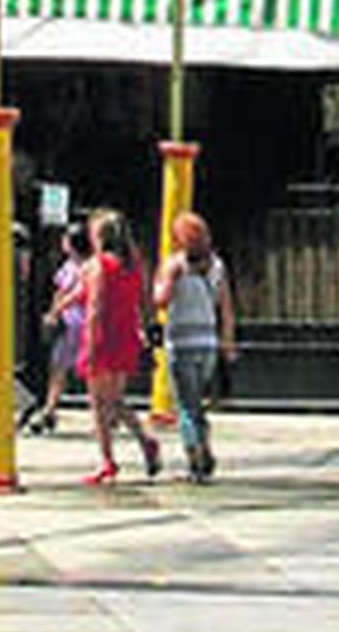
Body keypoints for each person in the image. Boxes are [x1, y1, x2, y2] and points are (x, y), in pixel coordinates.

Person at [70, 208, 160, 486]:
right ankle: (144, 440)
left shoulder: (99, 265)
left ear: (99, 236)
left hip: (103, 335)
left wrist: (91, 339)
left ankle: (107, 459)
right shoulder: (133, 264)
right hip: (125, 335)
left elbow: (94, 304)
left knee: (98, 403)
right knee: (115, 399)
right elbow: (144, 301)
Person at [153, 211, 237, 483]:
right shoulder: (217, 266)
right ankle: (204, 444)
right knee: (197, 402)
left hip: (181, 341)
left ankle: (196, 456)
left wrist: (162, 283)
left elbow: (161, 300)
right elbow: (226, 308)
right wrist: (227, 342)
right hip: (208, 342)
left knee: (186, 406)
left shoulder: (174, 265)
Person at [24, 222, 90, 435]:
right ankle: (107, 412)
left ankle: (49, 409)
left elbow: (66, 293)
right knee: (80, 369)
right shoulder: (81, 266)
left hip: (73, 322)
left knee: (60, 369)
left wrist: (54, 312)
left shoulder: (76, 267)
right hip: (81, 321)